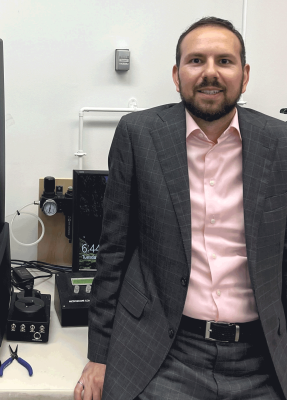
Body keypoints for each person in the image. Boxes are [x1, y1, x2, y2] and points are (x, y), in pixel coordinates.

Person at [74, 16, 287, 400]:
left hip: (262, 358)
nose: (210, 73)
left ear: (245, 74)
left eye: (224, 61)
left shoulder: (280, 143)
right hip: (166, 354)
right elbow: (113, 254)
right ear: (176, 74)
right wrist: (99, 356)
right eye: (196, 61)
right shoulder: (139, 135)